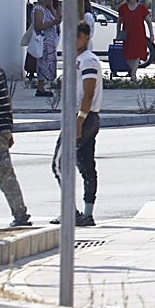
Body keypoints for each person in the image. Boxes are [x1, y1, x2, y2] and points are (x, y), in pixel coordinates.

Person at [51, 21, 102, 227]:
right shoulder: (77, 60)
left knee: (59, 164)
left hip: (82, 118)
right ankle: (86, 215)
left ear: (86, 38)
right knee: (86, 166)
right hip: (84, 118)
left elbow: (88, 93)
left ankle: (71, 212)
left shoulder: (87, 60)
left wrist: (79, 120)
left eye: (77, 37)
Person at [0, 66, 31, 228]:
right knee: (6, 175)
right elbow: (7, 100)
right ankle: (20, 214)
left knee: (5, 175)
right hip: (2, 129)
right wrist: (9, 128)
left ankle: (20, 215)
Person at [116, 0, 153, 80]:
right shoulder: (123, 8)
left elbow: (149, 22)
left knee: (137, 54)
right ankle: (131, 70)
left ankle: (133, 73)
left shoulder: (142, 8)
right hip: (127, 35)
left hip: (139, 35)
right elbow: (119, 22)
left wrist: (151, 34)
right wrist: (118, 33)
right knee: (128, 53)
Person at [31, 0, 59, 98]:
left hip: (50, 41)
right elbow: (38, 26)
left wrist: (52, 8)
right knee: (43, 63)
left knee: (49, 63)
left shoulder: (46, 9)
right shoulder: (38, 9)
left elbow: (56, 19)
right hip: (44, 41)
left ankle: (43, 85)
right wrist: (52, 23)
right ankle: (40, 87)